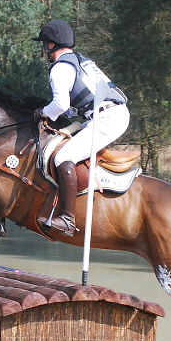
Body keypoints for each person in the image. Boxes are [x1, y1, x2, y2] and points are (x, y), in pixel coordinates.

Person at [31, 20, 130, 236]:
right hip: (108, 114)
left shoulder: (60, 67)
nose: (43, 51)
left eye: (43, 46)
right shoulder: (80, 60)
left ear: (50, 45)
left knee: (62, 157)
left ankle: (67, 218)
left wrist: (43, 112)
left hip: (107, 118)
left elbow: (61, 105)